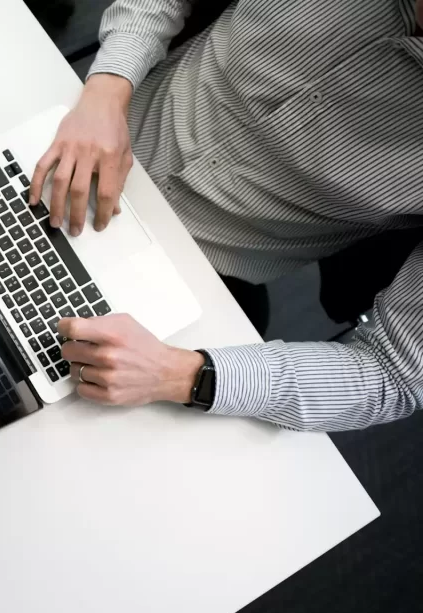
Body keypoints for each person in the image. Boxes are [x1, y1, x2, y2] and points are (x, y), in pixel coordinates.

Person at [33, 0, 423, 431]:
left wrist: (181, 374)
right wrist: (107, 89)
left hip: (190, 277)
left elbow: (394, 373)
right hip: (79, 127)